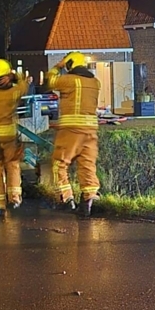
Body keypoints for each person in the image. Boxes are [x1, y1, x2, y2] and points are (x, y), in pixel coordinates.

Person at [46, 52, 101, 217]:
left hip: (71, 129)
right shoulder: (95, 82)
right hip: (91, 130)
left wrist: (58, 66)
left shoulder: (69, 80)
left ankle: (66, 198)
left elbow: (50, 81)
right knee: (87, 165)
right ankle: (88, 198)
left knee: (59, 164)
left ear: (70, 64)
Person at [0, 59, 27, 217]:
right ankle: (14, 197)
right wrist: (14, 76)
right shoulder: (14, 92)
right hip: (9, 136)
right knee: (13, 164)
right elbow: (24, 82)